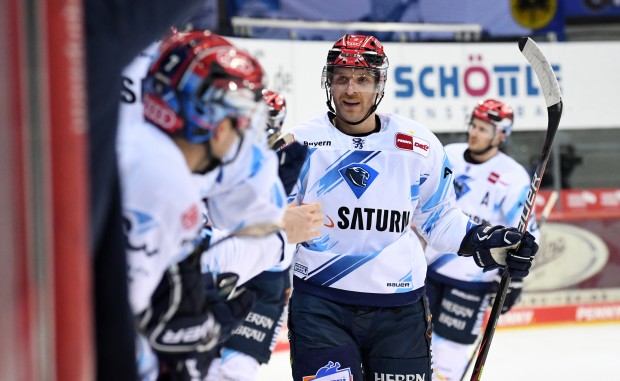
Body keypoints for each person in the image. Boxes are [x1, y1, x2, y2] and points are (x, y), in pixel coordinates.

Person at [282, 34, 539, 381]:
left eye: (362, 79)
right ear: (329, 82)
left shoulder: (418, 145)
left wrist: (484, 238)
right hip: (320, 305)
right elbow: (258, 222)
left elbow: (440, 220)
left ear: (379, 85)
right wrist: (278, 223)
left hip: (399, 311)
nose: (350, 90)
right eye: (341, 78)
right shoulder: (299, 143)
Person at [118, 31, 272, 380]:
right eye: (241, 120)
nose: (241, 136)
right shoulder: (164, 181)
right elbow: (114, 320)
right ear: (215, 124)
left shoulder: (140, 147)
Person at [424, 99, 541, 381]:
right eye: (473, 125)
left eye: (484, 129)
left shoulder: (513, 177)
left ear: (501, 135)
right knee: (414, 345)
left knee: (449, 355)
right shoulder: (447, 155)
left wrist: (515, 279)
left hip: (473, 278)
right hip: (427, 268)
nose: (474, 133)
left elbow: (527, 234)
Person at [205, 90, 309, 381]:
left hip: (264, 278)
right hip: (223, 265)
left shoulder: (286, 163)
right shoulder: (215, 152)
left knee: (234, 371)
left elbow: (289, 236)